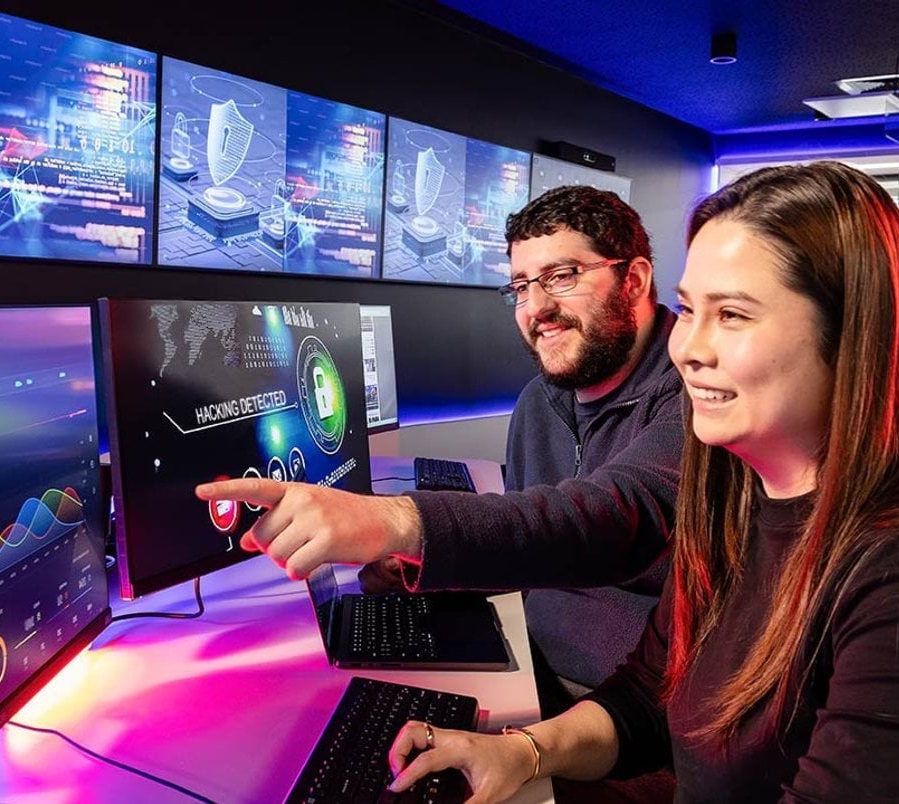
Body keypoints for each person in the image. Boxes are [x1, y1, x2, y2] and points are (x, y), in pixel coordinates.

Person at [385, 161, 899, 802]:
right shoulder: (736, 494)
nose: (688, 348)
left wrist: (397, 524)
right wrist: (523, 752)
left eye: (732, 315)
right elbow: (645, 700)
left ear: (850, 336)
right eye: (692, 309)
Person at [198, 185, 684, 700]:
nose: (535, 307)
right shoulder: (540, 402)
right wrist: (413, 560)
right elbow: (534, 547)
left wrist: (401, 521)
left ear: (633, 281)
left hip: (626, 710)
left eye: (561, 277)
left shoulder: (698, 399)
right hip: (530, 663)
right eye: (521, 286)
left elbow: (603, 520)